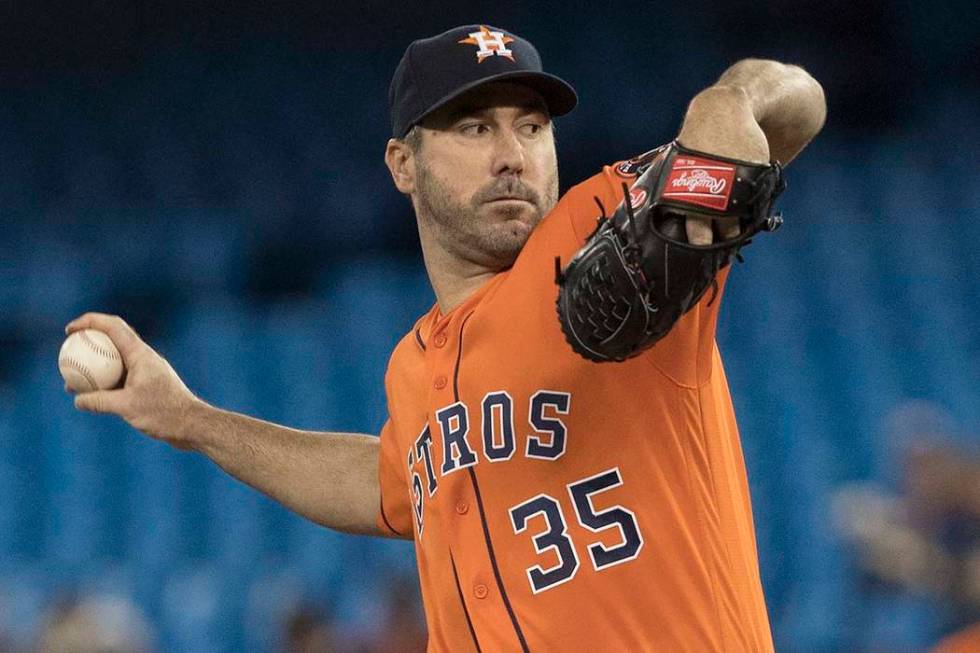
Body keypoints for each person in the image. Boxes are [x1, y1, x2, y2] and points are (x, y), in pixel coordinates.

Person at [65, 24, 825, 651]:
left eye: (532, 126)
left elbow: (795, 106)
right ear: (403, 164)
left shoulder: (605, 226)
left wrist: (731, 100)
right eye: (474, 126)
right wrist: (188, 419)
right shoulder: (414, 363)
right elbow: (391, 482)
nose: (511, 153)